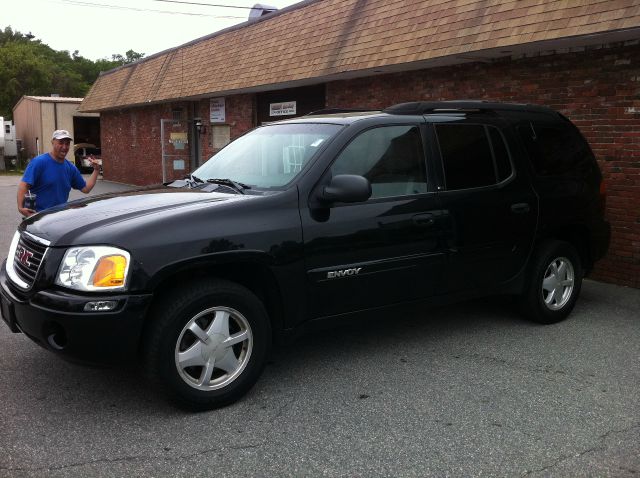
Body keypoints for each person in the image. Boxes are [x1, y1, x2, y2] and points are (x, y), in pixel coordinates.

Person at [17, 130, 100, 217]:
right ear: (53, 142)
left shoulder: (70, 168)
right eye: (61, 142)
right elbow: (24, 185)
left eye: (67, 143)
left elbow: (86, 188)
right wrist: (20, 207)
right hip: (38, 217)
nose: (64, 147)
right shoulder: (39, 162)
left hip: (59, 218)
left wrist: (96, 170)